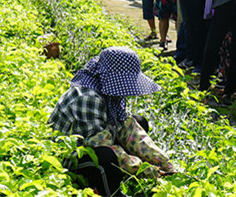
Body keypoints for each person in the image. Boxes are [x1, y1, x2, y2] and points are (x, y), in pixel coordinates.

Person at [48, 47, 175, 196]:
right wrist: (143, 169)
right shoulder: (88, 97)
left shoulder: (108, 91)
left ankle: (115, 178)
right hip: (70, 156)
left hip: (95, 142)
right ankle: (111, 192)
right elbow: (98, 144)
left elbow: (130, 131)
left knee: (139, 121)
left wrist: (165, 163)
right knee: (106, 156)